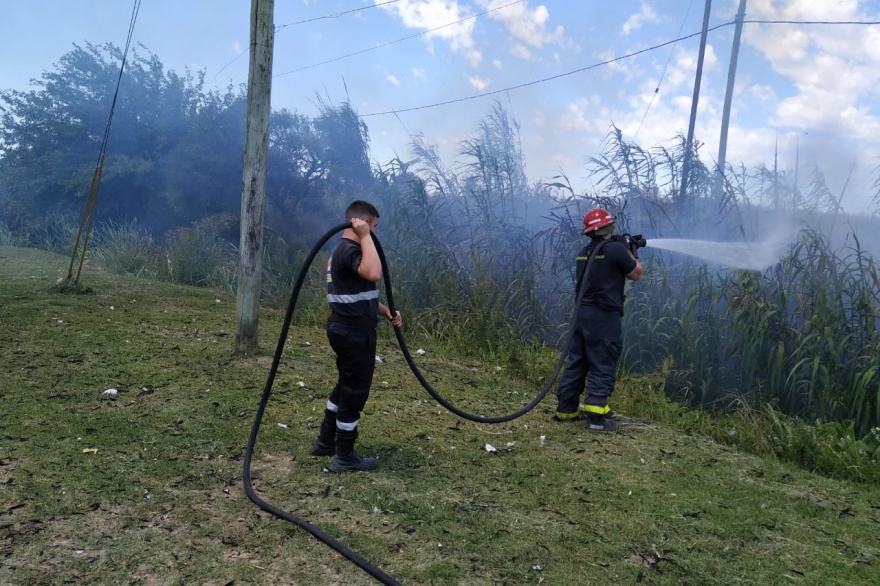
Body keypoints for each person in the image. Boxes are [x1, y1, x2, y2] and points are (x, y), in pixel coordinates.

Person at [309, 200, 402, 472]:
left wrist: (385, 311)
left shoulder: (343, 251)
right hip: (353, 334)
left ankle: (325, 441)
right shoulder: (349, 249)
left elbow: (356, 294)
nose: (375, 234)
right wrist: (364, 237)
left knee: (345, 384)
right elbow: (373, 272)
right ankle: (344, 455)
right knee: (354, 392)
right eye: (373, 227)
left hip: (347, 329)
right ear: (360, 223)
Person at [555, 207, 643, 432]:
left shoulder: (583, 252)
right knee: (603, 360)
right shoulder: (615, 250)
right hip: (603, 316)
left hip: (581, 315)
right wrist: (631, 251)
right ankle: (596, 417)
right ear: (608, 227)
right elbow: (636, 273)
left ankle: (567, 410)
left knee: (577, 360)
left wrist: (623, 247)